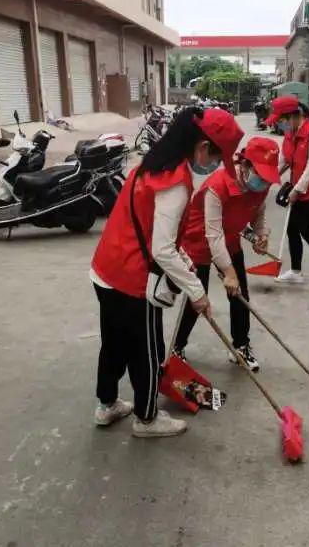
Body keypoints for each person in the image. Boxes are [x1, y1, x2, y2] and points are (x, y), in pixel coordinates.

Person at [90, 107, 244, 437]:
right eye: (218, 157)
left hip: (105, 270)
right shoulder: (175, 182)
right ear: (203, 147)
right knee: (148, 351)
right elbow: (161, 248)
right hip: (133, 279)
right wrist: (197, 293)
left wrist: (185, 261)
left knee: (114, 343)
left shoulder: (153, 164)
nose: (216, 166)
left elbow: (153, 231)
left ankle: (107, 405)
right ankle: (147, 419)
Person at [173, 137, 281, 372]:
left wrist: (261, 234)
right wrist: (227, 271)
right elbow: (213, 235)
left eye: (267, 178)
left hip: (230, 239)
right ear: (245, 165)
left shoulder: (261, 187)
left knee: (240, 294)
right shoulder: (218, 185)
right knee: (197, 297)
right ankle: (177, 348)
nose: (264, 182)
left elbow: (258, 214)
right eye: (260, 175)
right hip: (200, 239)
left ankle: (241, 346)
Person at [265, 96, 309, 284]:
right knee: (292, 229)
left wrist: (297, 190)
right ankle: (296, 271)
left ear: (293, 116)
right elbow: (285, 160)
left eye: (282, 121)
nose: (281, 125)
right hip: (297, 187)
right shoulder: (290, 133)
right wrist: (268, 178)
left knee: (305, 228)